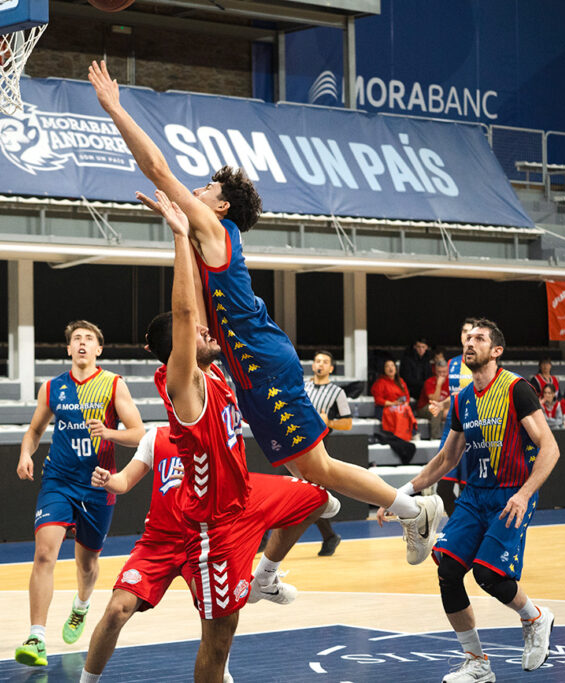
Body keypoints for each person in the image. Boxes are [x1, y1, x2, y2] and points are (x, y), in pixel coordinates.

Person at [88, 60, 443, 567]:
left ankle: (413, 510)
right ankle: (291, 556)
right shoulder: (203, 234)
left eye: (207, 189)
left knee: (316, 466)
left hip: (263, 363)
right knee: (310, 468)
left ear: (222, 208)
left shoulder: (215, 232)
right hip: (250, 367)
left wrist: (116, 109)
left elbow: (159, 171)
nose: (199, 189)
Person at [143, 189, 338, 682]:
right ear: (180, 350)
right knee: (220, 635)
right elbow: (188, 316)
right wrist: (179, 233)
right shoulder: (184, 380)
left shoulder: (217, 373)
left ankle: (266, 576)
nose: (210, 335)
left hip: (246, 497)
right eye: (199, 337)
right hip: (215, 525)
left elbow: (203, 311)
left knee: (315, 495)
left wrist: (191, 243)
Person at [377, 318, 560, 683]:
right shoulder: (462, 400)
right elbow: (445, 460)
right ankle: (477, 662)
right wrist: (397, 497)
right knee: (447, 571)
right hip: (475, 496)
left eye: (480, 338)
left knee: (489, 575)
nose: (470, 343)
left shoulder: (516, 389)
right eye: (468, 338)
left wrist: (525, 495)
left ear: (496, 351)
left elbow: (550, 448)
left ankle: (535, 617)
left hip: (512, 494)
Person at [14, 320, 146, 668]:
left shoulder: (113, 385)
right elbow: (35, 429)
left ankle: (82, 606)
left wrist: (109, 433)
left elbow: (139, 433)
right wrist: (26, 453)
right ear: (69, 349)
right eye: (77, 339)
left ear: (99, 349)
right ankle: (36, 636)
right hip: (57, 480)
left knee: (86, 565)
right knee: (44, 554)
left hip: (98, 484)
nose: (83, 343)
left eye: (89, 339)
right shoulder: (53, 387)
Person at [80, 426, 228, 683]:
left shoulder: (218, 435)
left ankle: (220, 672)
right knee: (117, 609)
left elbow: (234, 491)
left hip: (200, 541)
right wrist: (108, 480)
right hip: (157, 543)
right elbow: (124, 481)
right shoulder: (155, 437)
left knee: (216, 617)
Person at [303, 350, 353, 556]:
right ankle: (330, 536)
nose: (320, 364)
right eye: (317, 361)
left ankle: (329, 536)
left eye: (324, 362)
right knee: (308, 494)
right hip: (297, 443)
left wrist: (329, 422)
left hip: (319, 446)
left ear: (331, 368)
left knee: (311, 494)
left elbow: (348, 423)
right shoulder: (303, 386)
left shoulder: (337, 392)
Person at [429, 318, 476, 513]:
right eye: (465, 331)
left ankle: (468, 531)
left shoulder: (484, 363)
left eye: (473, 333)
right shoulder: (453, 363)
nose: (468, 335)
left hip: (472, 428)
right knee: (443, 488)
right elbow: (456, 394)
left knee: (467, 487)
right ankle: (460, 525)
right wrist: (441, 404)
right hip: (451, 427)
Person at [371, 359, 417, 463]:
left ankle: (410, 433)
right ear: (384, 369)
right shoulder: (380, 382)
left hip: (399, 406)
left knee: (406, 409)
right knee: (398, 411)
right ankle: (400, 435)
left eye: (392, 366)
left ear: (396, 369)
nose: (390, 368)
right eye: (387, 366)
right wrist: (392, 404)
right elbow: (378, 399)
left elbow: (407, 397)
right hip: (384, 407)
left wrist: (403, 403)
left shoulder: (401, 381)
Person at [416, 359, 450, 440]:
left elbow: (452, 399)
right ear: (435, 371)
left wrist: (447, 409)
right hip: (424, 408)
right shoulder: (429, 382)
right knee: (436, 409)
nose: (442, 374)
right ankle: (435, 437)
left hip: (443, 407)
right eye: (439, 372)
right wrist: (438, 385)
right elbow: (434, 400)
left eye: (444, 372)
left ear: (448, 371)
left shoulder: (450, 382)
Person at [400, 337, 433, 401]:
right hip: (411, 391)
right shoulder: (407, 359)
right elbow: (407, 378)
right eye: (418, 347)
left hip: (424, 390)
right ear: (415, 347)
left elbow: (429, 376)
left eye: (423, 347)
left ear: (426, 348)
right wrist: (424, 384)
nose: (421, 349)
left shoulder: (427, 360)